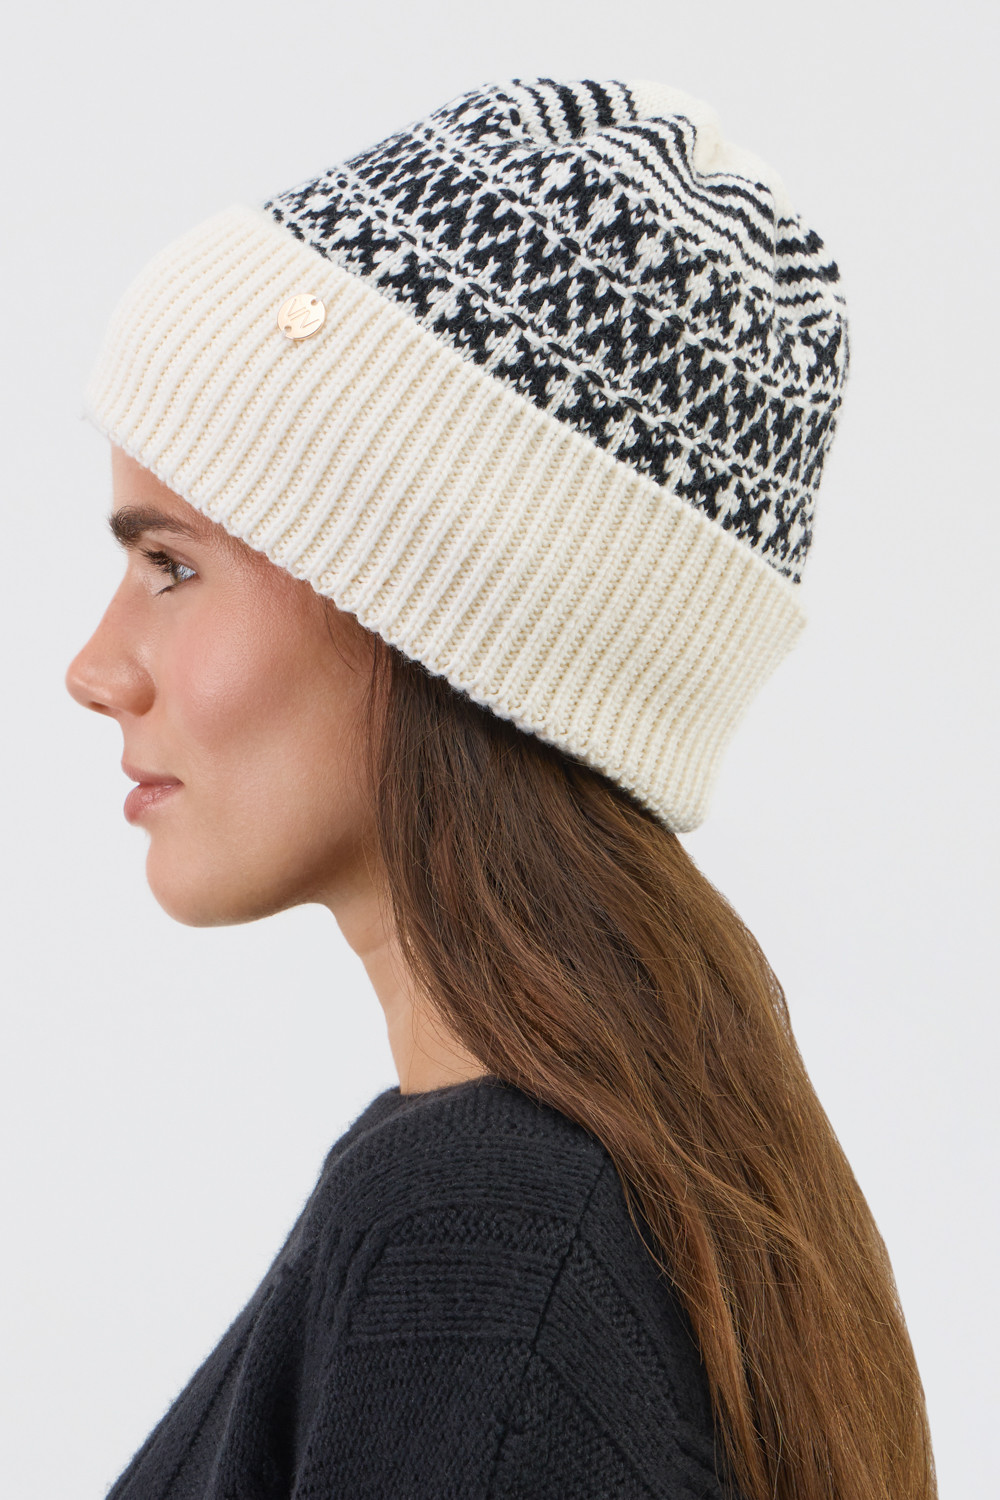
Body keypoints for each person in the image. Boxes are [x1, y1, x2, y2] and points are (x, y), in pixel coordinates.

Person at [65, 77, 937, 1500]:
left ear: (440, 617)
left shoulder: (482, 1243)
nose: (95, 669)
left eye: (172, 565)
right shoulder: (576, 1193)